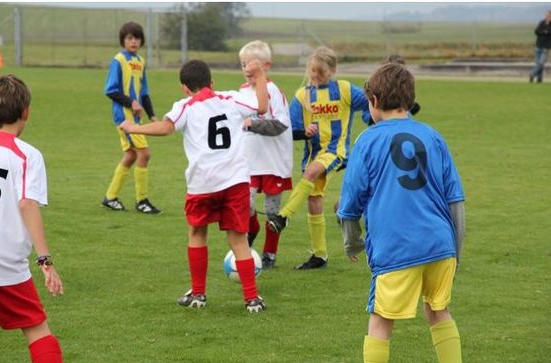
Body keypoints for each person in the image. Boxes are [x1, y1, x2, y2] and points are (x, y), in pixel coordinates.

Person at [337, 63, 466, 363]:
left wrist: (352, 242)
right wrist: (456, 251)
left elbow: (349, 202)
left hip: (397, 247)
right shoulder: (433, 136)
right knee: (439, 310)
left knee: (381, 320)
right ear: (408, 101)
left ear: (375, 100)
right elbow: (456, 199)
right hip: (441, 244)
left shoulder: (367, 141)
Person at [120, 59, 285, 313]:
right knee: (238, 239)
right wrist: (261, 75)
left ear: (184, 88)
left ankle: (198, 294)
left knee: (198, 234)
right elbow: (262, 106)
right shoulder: (231, 98)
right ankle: (252, 299)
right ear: (212, 82)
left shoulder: (185, 106)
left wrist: (134, 127)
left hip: (203, 183)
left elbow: (166, 128)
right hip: (235, 181)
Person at [0, 74, 67, 363]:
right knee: (37, 328)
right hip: (0, 258)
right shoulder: (26, 154)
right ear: (26, 112)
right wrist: (45, 259)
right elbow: (27, 204)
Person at [267, 46, 370, 270]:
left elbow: (373, 102)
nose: (315, 76)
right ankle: (319, 256)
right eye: (313, 72)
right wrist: (305, 133)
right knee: (314, 199)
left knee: (311, 172)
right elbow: (292, 130)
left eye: (320, 72)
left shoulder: (344, 90)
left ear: (332, 70)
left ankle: (282, 216)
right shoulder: (303, 95)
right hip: (314, 154)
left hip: (336, 150)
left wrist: (404, 106)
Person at [238, 40, 294, 269]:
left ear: (267, 66)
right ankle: (250, 236)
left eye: (253, 67)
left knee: (272, 211)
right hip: (249, 163)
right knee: (245, 206)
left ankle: (270, 253)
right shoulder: (241, 92)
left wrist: (253, 124)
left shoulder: (272, 91)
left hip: (273, 163)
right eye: (243, 66)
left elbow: (280, 125)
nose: (248, 71)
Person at [102, 21, 161, 214]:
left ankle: (110, 197)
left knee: (130, 155)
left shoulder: (140, 62)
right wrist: (131, 103)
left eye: (137, 38)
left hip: (136, 118)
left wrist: (152, 115)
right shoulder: (118, 60)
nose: (133, 41)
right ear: (123, 41)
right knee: (144, 154)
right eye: (129, 38)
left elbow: (143, 92)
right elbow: (110, 90)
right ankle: (142, 201)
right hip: (124, 118)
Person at [529, 10, 551, 83]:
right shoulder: (541, 22)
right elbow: (536, 31)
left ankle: (532, 74)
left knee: (541, 63)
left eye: (549, 16)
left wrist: (544, 31)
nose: (547, 17)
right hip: (538, 46)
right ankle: (539, 79)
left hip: (546, 47)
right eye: (546, 15)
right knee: (538, 64)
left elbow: (550, 31)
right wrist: (544, 32)